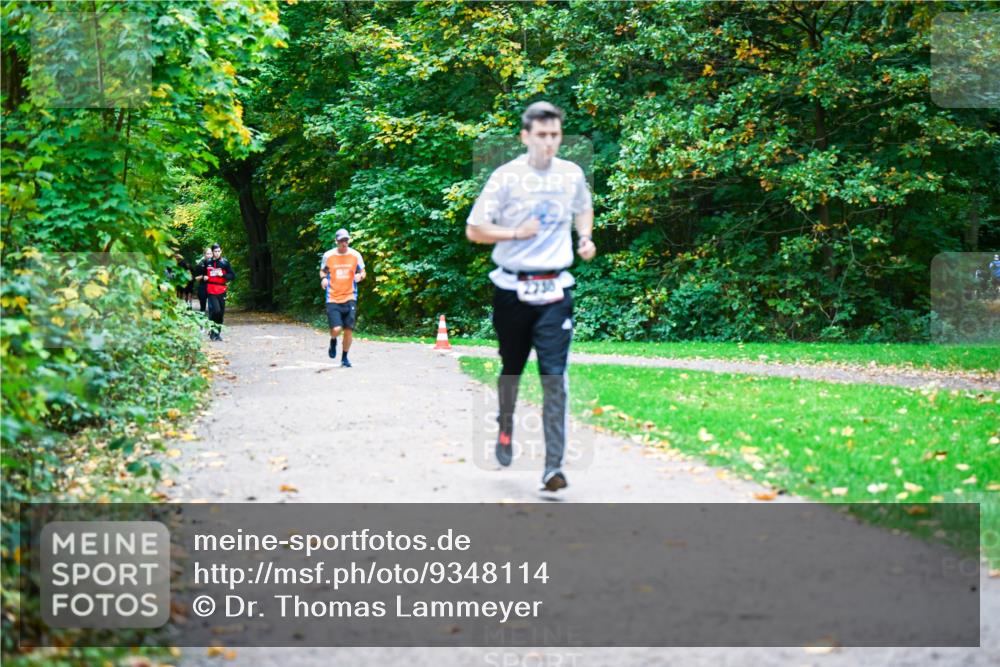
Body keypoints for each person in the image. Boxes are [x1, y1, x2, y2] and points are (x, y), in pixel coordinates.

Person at [465, 101, 595, 492]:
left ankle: (553, 466)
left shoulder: (571, 175)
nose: (549, 143)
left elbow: (584, 209)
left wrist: (585, 237)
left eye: (555, 135)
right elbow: (475, 230)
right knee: (512, 369)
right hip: (511, 288)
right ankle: (505, 424)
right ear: (525, 137)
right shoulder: (506, 178)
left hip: (556, 288)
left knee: (555, 377)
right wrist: (514, 234)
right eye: (541, 135)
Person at [319, 228, 366, 367]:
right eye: (341, 241)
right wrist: (323, 279)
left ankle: (344, 358)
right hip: (333, 297)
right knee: (336, 329)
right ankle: (333, 340)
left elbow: (363, 271)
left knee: (348, 330)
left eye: (346, 240)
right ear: (336, 241)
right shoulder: (328, 256)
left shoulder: (355, 255)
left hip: (350, 296)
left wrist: (360, 276)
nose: (344, 244)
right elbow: (322, 271)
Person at [204, 244, 235, 341]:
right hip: (211, 289)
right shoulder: (207, 262)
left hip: (221, 290)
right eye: (215, 251)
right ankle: (213, 331)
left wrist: (223, 275)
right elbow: (203, 274)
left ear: (221, 251)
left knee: (220, 313)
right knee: (216, 310)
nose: (217, 253)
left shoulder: (224, 262)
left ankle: (217, 334)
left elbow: (232, 276)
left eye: (219, 251)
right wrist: (205, 277)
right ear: (212, 252)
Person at [193, 247, 212, 313]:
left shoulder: (215, 263)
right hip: (203, 286)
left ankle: (213, 319)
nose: (209, 255)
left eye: (210, 253)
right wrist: (203, 277)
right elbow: (196, 278)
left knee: (213, 307)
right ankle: (202, 316)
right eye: (207, 254)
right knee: (203, 305)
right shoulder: (200, 264)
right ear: (204, 254)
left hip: (213, 286)